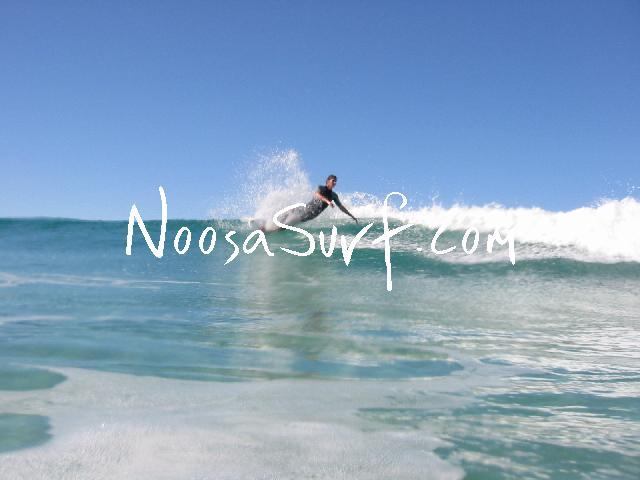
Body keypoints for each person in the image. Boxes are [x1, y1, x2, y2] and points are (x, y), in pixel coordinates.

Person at [283, 174, 359, 225]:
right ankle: (278, 223)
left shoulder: (334, 196)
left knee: (291, 222)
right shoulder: (321, 188)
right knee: (289, 213)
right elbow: (317, 195)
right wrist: (327, 201)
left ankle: (279, 228)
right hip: (307, 209)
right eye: (333, 180)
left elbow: (341, 207)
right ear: (328, 181)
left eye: (335, 181)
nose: (335, 183)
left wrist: (351, 215)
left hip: (312, 215)